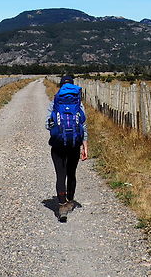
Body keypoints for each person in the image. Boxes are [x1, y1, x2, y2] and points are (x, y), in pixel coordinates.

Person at [46, 74, 88, 221]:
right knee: (71, 173)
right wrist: (85, 146)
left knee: (60, 174)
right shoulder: (78, 103)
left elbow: (48, 124)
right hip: (74, 144)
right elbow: (83, 126)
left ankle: (62, 206)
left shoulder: (56, 101)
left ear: (61, 85)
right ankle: (70, 201)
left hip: (58, 144)